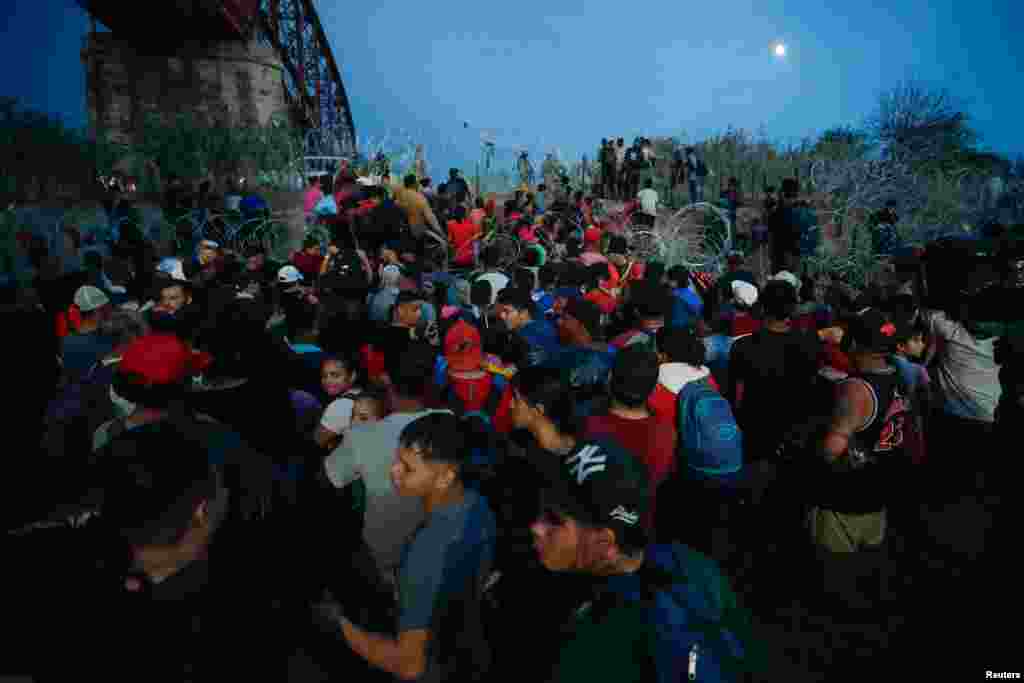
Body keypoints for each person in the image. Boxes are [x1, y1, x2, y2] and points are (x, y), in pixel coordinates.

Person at [530, 437, 758, 682]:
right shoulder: (696, 566)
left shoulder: (590, 646)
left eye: (553, 520)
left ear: (604, 543)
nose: (535, 527)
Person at [315, 412, 496, 681]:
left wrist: (338, 624)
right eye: (396, 460)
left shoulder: (427, 551)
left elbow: (409, 665)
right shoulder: (478, 504)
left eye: (408, 467)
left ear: (446, 476)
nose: (394, 471)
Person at [323, 342, 451, 588]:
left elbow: (329, 481)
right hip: (438, 560)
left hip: (381, 562)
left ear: (387, 380)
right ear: (431, 381)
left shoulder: (361, 436)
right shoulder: (449, 422)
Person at [582, 346, 675, 533]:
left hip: (591, 528)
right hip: (637, 531)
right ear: (655, 388)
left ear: (610, 379)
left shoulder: (586, 425)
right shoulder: (666, 431)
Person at [61, 285, 115, 380]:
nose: (110, 311)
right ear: (97, 310)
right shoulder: (105, 339)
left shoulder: (67, 340)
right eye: (107, 307)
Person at [496, 286, 560, 367]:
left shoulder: (529, 337)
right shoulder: (538, 323)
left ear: (523, 313)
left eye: (506, 311)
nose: (502, 316)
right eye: (501, 311)